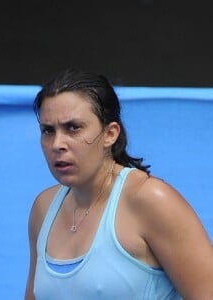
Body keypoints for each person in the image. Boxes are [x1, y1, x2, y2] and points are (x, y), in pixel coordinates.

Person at [24, 69, 213, 300]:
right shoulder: (43, 209)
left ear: (110, 134)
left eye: (73, 128)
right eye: (47, 131)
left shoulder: (151, 200)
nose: (57, 144)